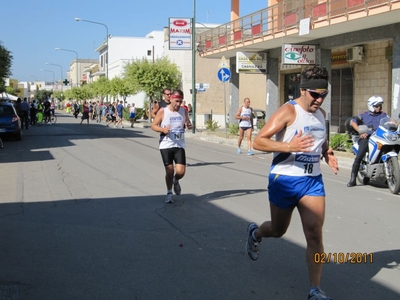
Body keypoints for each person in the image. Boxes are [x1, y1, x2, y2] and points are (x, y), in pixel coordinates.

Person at [246, 66, 338, 300]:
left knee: (315, 234)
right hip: (284, 179)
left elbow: (320, 140)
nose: (320, 99)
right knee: (277, 230)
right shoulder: (288, 111)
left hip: (312, 181)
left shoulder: (321, 114)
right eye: (315, 94)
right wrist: (289, 146)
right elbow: (259, 141)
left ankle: (315, 290)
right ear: (303, 90)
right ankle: (256, 233)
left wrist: (327, 153)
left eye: (324, 94)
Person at [151, 89, 192, 204]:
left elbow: (186, 122)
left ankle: (176, 180)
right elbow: (153, 126)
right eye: (177, 101)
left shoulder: (184, 111)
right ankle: (169, 193)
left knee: (181, 172)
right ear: (172, 99)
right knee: (169, 171)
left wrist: (188, 124)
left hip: (179, 144)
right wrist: (162, 129)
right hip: (166, 144)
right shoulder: (163, 111)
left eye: (181, 101)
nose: (179, 104)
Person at [347, 96, 389, 187]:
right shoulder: (364, 115)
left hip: (380, 137)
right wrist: (360, 131)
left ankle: (389, 177)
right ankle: (353, 179)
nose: (379, 107)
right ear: (371, 106)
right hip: (367, 137)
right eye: (377, 105)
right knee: (360, 155)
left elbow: (391, 122)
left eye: (380, 105)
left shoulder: (384, 115)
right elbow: (353, 122)